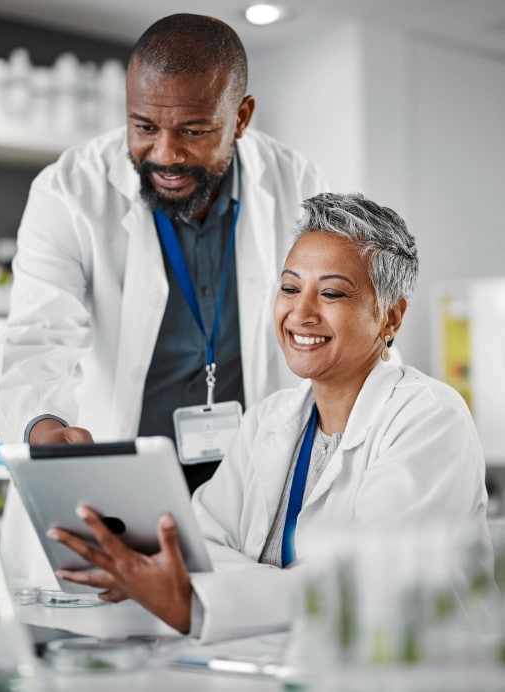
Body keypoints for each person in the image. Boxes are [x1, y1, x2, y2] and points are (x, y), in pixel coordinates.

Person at [47, 192, 492, 644]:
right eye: (290, 288)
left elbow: (365, 585)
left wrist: (210, 597)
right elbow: (202, 550)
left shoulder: (429, 418)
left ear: (390, 317)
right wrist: (247, 587)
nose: (301, 313)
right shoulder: (268, 420)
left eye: (332, 293)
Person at [0, 13, 326, 494]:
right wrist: (46, 429)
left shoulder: (298, 184)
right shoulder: (67, 191)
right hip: (117, 480)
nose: (165, 154)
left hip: (251, 486)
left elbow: (340, 328)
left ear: (241, 118)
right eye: (144, 125)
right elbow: (36, 337)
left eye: (193, 131)